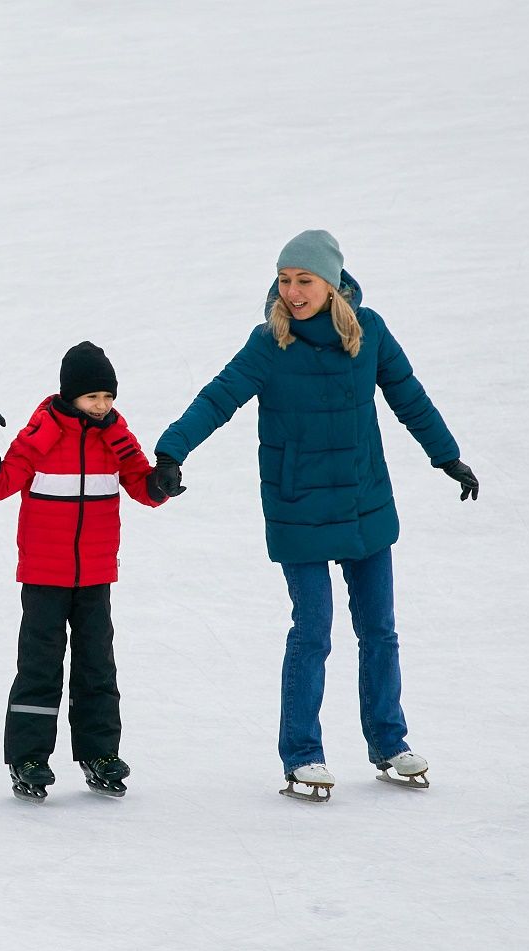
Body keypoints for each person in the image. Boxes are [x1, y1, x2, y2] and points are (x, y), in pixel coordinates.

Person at [150, 230, 478, 802]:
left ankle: (389, 741)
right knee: (314, 629)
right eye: (285, 281)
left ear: (332, 284)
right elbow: (218, 397)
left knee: (379, 629)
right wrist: (172, 451)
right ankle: (302, 754)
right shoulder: (268, 344)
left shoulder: (368, 333)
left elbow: (409, 396)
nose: (294, 292)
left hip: (362, 500)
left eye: (305, 281)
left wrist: (446, 455)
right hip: (298, 504)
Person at [0, 342, 169, 802]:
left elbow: (141, 482)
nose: (102, 407)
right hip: (44, 574)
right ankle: (29, 757)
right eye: (92, 398)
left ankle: (99, 753)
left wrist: (161, 484)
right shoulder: (43, 432)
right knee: (40, 666)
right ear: (70, 395)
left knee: (98, 665)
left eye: (108, 398)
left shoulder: (114, 433)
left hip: (95, 573)